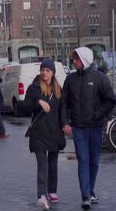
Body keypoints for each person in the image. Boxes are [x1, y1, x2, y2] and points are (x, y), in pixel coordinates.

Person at [60, 47, 116, 210]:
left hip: (96, 127)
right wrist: (65, 122)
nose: (74, 61)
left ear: (84, 60)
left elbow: (110, 100)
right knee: (83, 160)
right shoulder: (70, 79)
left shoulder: (100, 78)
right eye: (73, 59)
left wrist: (98, 114)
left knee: (94, 162)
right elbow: (64, 103)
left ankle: (90, 190)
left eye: (76, 59)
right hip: (78, 128)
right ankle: (85, 195)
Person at [22, 59, 66, 211]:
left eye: (47, 70)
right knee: (43, 164)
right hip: (39, 132)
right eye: (42, 70)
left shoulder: (58, 89)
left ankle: (52, 190)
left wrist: (65, 124)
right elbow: (24, 108)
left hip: (54, 132)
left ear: (53, 72)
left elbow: (62, 110)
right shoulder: (34, 88)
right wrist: (38, 101)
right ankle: (41, 194)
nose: (44, 73)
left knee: (53, 163)